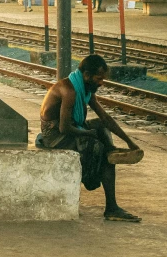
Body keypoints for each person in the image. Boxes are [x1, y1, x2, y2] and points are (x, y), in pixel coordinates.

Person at [39, 54, 143, 222]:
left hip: (71, 127)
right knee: (99, 149)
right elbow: (63, 128)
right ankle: (111, 207)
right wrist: (88, 134)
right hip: (55, 136)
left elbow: (105, 119)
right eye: (99, 78)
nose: (101, 82)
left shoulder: (85, 89)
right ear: (87, 75)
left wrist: (130, 142)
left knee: (101, 128)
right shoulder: (70, 90)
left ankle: (111, 151)